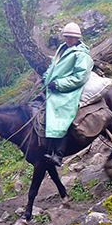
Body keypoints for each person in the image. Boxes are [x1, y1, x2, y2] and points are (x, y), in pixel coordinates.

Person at [42, 22, 93, 166]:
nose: (69, 39)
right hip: (53, 87)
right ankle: (48, 148)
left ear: (78, 38)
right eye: (67, 37)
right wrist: (46, 78)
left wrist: (58, 84)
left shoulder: (81, 54)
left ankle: (59, 154)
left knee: (62, 114)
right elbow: (52, 67)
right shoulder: (62, 49)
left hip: (70, 89)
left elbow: (80, 77)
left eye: (72, 37)